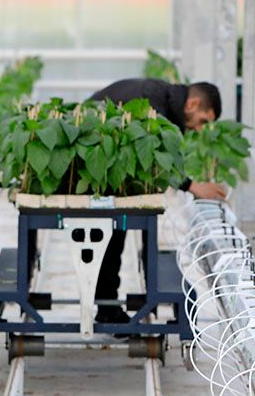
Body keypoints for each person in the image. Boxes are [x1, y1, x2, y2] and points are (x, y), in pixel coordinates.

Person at [87, 79, 228, 325]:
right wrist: (193, 186)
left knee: (118, 228)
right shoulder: (153, 102)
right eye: (203, 120)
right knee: (114, 230)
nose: (198, 128)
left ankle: (109, 307)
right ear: (193, 103)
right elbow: (153, 154)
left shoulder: (164, 99)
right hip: (92, 158)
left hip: (105, 164)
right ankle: (106, 308)